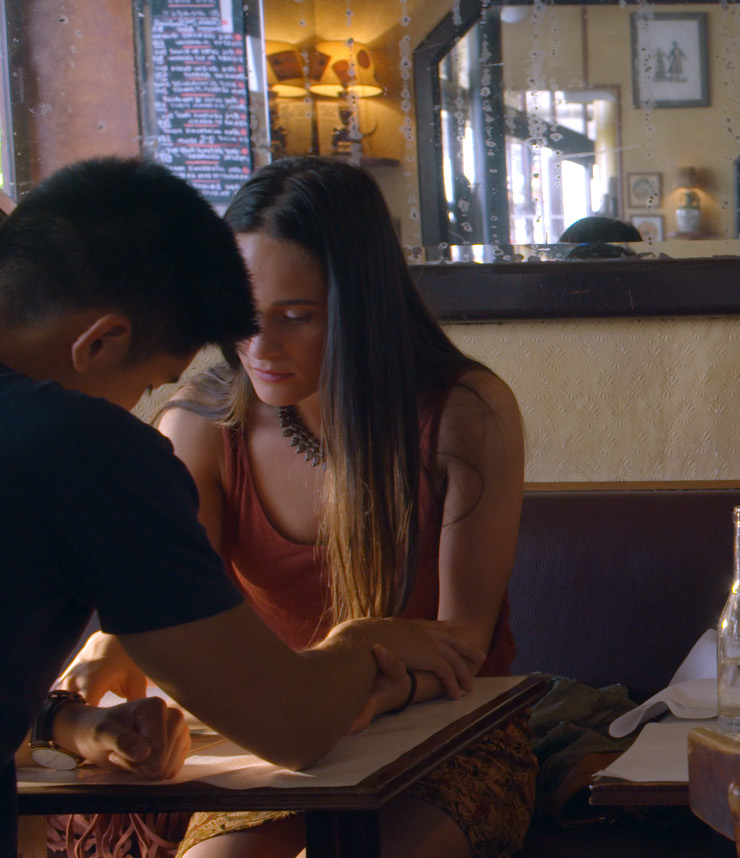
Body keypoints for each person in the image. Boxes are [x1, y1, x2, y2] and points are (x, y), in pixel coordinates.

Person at [59, 158, 532, 858]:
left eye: (297, 318)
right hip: (277, 740)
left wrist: (354, 690)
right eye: (243, 315)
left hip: (449, 737)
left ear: (361, 306)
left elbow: (463, 642)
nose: (260, 346)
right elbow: (178, 620)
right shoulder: (202, 426)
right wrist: (117, 647)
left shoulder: (464, 414)